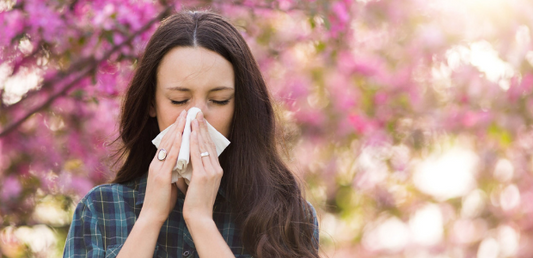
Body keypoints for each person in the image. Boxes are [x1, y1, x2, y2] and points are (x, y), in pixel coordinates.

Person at [63, 10, 319, 258]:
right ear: (152, 103)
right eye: (179, 99)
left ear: (239, 105)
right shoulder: (100, 211)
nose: (197, 117)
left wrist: (200, 221)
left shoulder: (287, 217)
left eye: (219, 100)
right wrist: (150, 217)